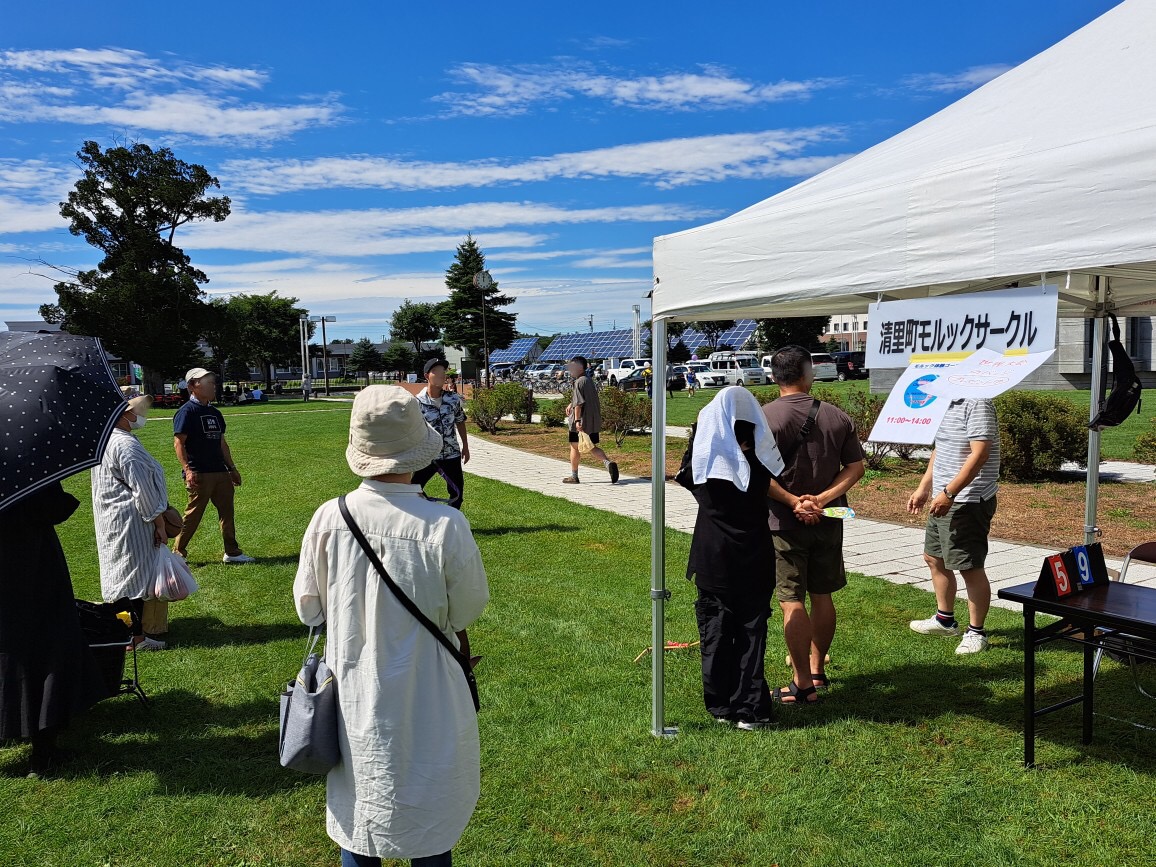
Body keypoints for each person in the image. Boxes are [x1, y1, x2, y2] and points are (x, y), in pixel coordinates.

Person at [295, 386, 489, 867]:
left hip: (353, 682)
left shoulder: (329, 517)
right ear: (418, 447)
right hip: (429, 683)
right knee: (430, 799)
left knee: (362, 796)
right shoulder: (443, 524)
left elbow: (309, 608)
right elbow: (466, 609)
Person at [763, 346, 866, 704]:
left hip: (781, 522)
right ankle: (817, 669)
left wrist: (794, 501)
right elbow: (855, 467)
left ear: (774, 376)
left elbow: (756, 475)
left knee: (790, 599)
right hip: (829, 519)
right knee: (823, 596)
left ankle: (802, 683)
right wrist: (822, 499)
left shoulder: (764, 418)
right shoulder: (837, 416)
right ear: (809, 374)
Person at [685, 387, 783, 730]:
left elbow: (687, 471)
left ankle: (722, 704)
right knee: (750, 635)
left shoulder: (705, 470)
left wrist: (701, 431)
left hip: (714, 559)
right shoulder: (760, 463)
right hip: (754, 556)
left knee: (716, 633)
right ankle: (750, 708)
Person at [0, 482, 106, 777]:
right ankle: (43, 750)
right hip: (31, 569)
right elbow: (52, 507)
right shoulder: (22, 465)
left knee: (10, 651)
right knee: (45, 649)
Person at [907, 398, 1001, 654]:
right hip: (945, 495)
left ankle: (976, 633)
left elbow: (980, 454)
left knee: (969, 566)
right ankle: (945, 620)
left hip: (967, 499)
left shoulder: (977, 403)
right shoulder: (945, 402)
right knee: (934, 557)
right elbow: (941, 449)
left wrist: (950, 493)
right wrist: (924, 487)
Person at [91, 395, 175, 650]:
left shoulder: (108, 440)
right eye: (136, 410)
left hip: (114, 519)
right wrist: (159, 523)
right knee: (132, 581)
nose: (141, 415)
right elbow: (143, 491)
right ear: (122, 414)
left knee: (122, 577)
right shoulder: (124, 445)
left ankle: (129, 633)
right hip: (131, 522)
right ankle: (134, 638)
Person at [171, 367, 255, 564]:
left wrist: (232, 469)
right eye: (208, 383)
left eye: (213, 382)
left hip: (220, 471)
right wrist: (188, 470)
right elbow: (179, 443)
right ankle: (177, 553)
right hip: (199, 473)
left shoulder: (215, 412)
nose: (213, 386)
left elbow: (221, 443)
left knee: (227, 513)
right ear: (193, 386)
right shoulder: (186, 412)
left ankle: (232, 552)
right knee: (193, 514)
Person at [413, 358, 470, 509]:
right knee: (413, 489)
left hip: (451, 454)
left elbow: (460, 421)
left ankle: (452, 519)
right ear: (427, 376)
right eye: (436, 372)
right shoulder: (417, 402)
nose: (441, 375)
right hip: (428, 455)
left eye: (443, 372)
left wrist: (465, 446)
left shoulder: (453, 399)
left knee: (457, 494)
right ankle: (424, 515)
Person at [562, 356, 619, 485]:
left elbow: (579, 404)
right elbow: (582, 398)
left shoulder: (578, 382)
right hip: (592, 420)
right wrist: (571, 404)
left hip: (581, 421)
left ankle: (574, 476)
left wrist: (577, 421)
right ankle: (607, 463)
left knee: (575, 447)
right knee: (590, 445)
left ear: (580, 367)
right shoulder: (588, 380)